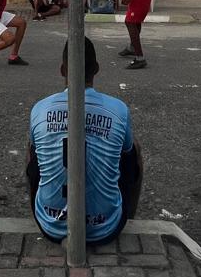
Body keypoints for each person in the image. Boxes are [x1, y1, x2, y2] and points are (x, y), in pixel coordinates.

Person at [27, 37, 142, 245]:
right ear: (96, 69)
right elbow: (129, 156)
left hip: (50, 226)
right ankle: (128, 212)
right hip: (106, 228)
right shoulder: (118, 109)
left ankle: (39, 208)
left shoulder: (40, 108)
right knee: (132, 149)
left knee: (33, 149)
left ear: (63, 70)